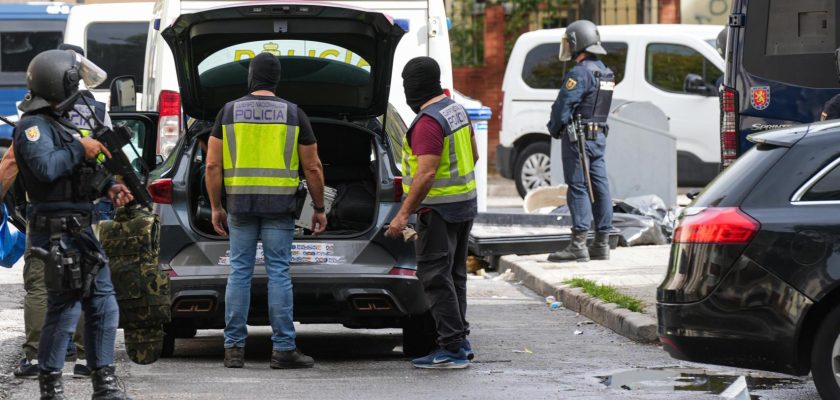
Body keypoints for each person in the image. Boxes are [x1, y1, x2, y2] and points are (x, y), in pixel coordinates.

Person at [14, 49, 134, 399]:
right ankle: (51, 388)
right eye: (74, 80)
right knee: (64, 309)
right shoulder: (33, 127)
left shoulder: (63, 121)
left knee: (103, 305)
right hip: (54, 231)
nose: (79, 85)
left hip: (81, 228)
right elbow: (47, 169)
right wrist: (80, 149)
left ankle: (105, 385)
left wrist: (109, 186)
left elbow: (79, 174)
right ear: (61, 81)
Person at [205, 52, 326, 369]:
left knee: (240, 274)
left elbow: (212, 164)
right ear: (276, 79)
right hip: (279, 207)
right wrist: (319, 208)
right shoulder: (293, 113)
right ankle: (284, 349)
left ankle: (233, 350)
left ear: (251, 77)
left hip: (240, 206)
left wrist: (216, 206)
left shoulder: (228, 112)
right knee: (278, 276)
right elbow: (312, 167)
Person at [386, 56, 479, 369]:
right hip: (464, 205)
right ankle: (460, 340)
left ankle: (451, 347)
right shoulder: (456, 111)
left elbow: (425, 174)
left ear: (414, 85)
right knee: (454, 275)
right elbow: (475, 154)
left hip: (437, 210)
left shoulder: (428, 122)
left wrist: (402, 215)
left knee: (436, 278)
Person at [546, 20, 615, 263]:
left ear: (577, 43)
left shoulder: (579, 72)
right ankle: (602, 242)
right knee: (600, 186)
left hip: (578, 139)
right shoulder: (606, 71)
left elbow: (563, 106)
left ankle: (578, 244)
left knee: (578, 187)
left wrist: (554, 128)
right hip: (598, 137)